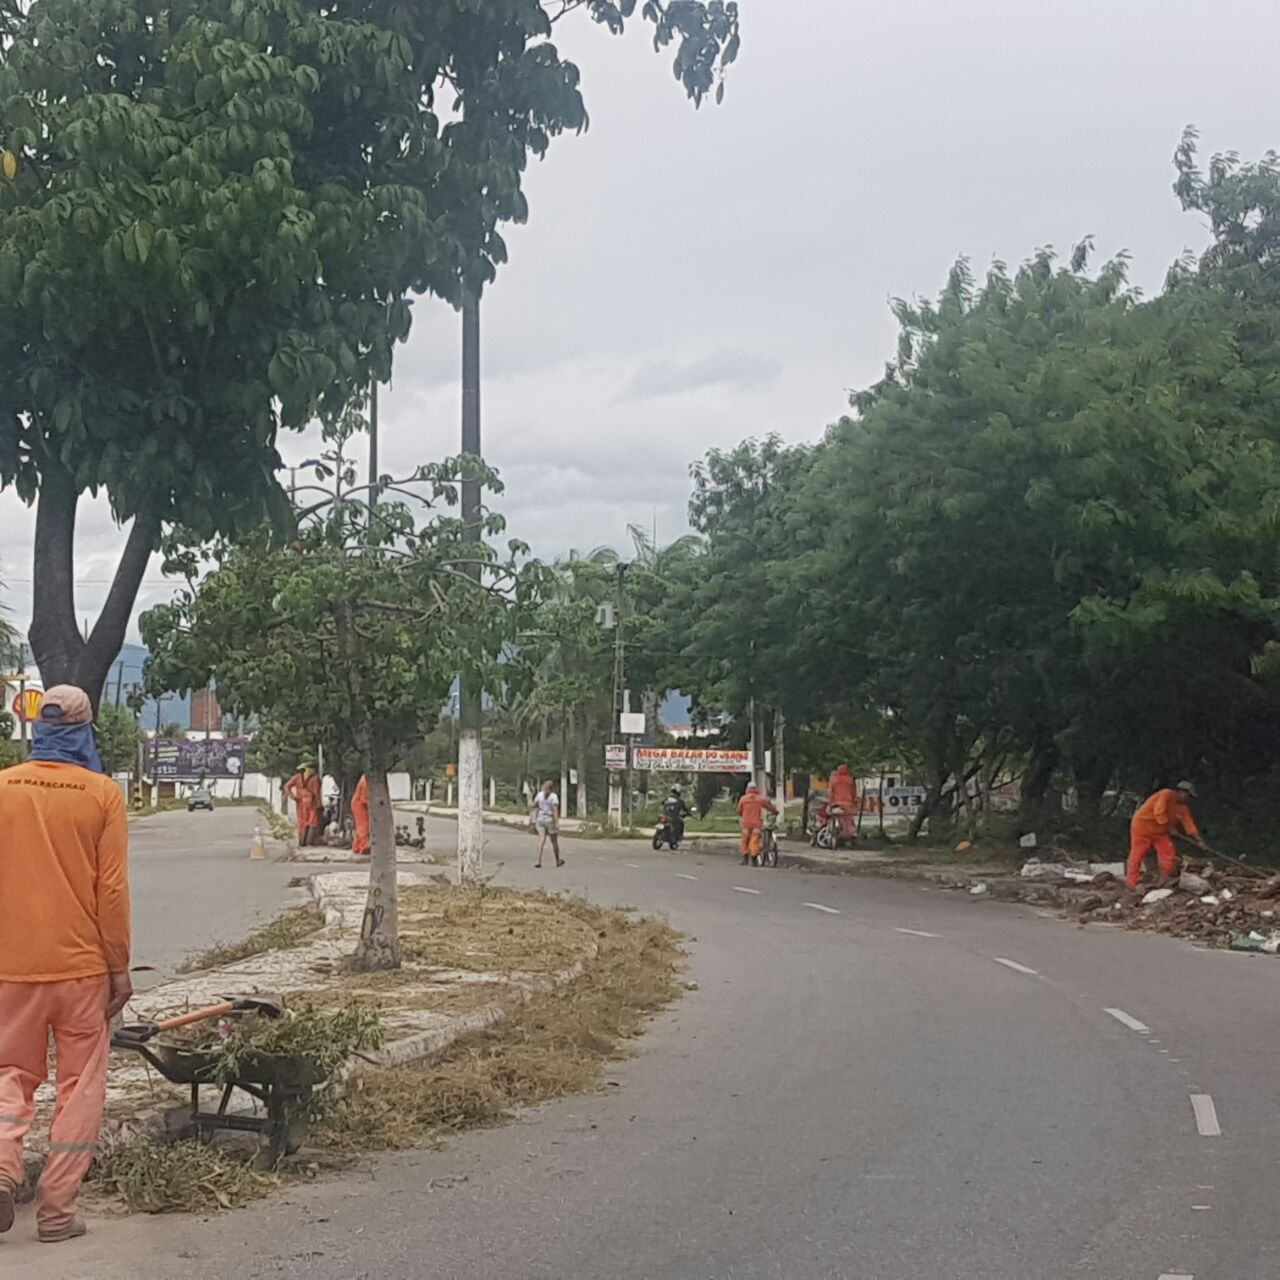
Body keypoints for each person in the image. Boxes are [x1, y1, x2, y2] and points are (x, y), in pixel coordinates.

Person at [0, 685, 131, 1245]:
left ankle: (2, 1171)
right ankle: (56, 1213)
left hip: (9, 967)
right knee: (80, 1086)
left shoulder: (2, 788)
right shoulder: (102, 795)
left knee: (8, 1077)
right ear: (85, 729)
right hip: (80, 970)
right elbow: (113, 890)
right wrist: (118, 966)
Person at [1126, 781, 1203, 891]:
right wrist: (1169, 827)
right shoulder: (1166, 794)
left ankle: (1164, 879)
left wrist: (1200, 841)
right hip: (1142, 827)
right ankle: (1131, 883)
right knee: (1138, 853)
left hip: (1160, 831)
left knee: (1168, 852)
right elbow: (1158, 812)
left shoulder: (1182, 808)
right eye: (1188, 795)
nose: (1188, 799)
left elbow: (1189, 825)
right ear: (1181, 791)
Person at [737, 781, 778, 867]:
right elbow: (769, 807)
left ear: (747, 789)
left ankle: (745, 859)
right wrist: (775, 811)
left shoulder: (743, 799)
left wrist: (743, 814)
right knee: (754, 840)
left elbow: (739, 811)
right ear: (756, 789)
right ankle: (754, 859)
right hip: (756, 823)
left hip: (746, 823)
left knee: (745, 840)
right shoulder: (760, 799)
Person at [284, 763, 322, 846]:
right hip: (312, 803)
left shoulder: (297, 777)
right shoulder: (315, 779)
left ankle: (302, 841)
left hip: (301, 802)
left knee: (302, 822)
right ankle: (309, 842)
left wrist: (293, 796)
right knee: (312, 822)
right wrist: (319, 804)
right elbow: (317, 793)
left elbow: (287, 786)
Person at [533, 779, 563, 869]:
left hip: (540, 818)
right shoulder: (553, 796)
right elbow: (555, 811)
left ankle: (538, 860)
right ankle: (557, 860)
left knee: (541, 840)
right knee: (554, 841)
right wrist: (557, 823)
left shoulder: (539, 795)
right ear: (552, 788)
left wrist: (534, 819)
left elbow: (535, 807)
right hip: (549, 819)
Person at [828, 763, 857, 838]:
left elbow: (830, 792)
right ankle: (850, 832)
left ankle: (836, 832)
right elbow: (853, 792)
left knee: (834, 816)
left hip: (837, 803)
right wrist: (854, 802)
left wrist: (830, 803)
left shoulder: (834, 779)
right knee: (848, 819)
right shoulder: (850, 779)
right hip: (848, 803)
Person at [351, 774, 370, 855]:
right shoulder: (366, 781)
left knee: (361, 825)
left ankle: (356, 846)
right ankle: (363, 846)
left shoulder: (365, 778)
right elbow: (363, 799)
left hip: (357, 803)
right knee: (363, 825)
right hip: (359, 805)